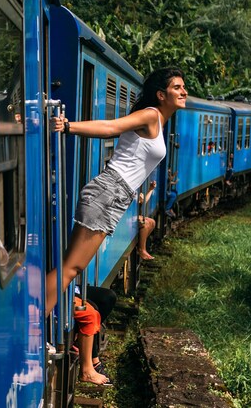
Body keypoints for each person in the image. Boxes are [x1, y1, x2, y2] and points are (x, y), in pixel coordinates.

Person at [48, 68, 186, 315]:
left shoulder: (159, 121)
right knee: (71, 267)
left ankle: (34, 321)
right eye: (177, 87)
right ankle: (33, 325)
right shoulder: (150, 115)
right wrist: (68, 126)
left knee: (72, 267)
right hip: (109, 191)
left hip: (114, 195)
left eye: (183, 87)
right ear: (161, 95)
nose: (184, 91)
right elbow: (110, 127)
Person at [137, 179, 157, 260]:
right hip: (128, 215)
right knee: (145, 224)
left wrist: (150, 189)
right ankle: (141, 249)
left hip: (135, 215)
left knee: (152, 222)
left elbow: (143, 201)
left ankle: (140, 243)